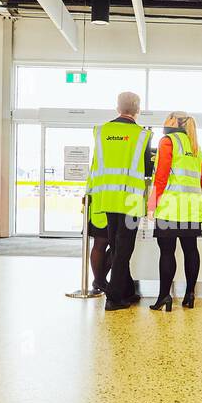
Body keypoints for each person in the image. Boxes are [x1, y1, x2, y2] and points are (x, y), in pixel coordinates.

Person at [85, 90, 152, 311]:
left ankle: (126, 290)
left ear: (117, 108)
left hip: (106, 199)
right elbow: (148, 168)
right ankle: (114, 298)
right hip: (130, 201)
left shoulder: (101, 131)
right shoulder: (142, 135)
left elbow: (95, 165)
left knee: (116, 246)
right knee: (124, 250)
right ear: (138, 110)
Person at [149, 111, 202, 311]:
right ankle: (190, 295)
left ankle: (164, 297)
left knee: (167, 252)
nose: (164, 121)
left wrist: (152, 204)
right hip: (192, 208)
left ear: (174, 121)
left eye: (167, 118)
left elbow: (161, 177)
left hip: (170, 208)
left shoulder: (167, 141)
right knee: (191, 250)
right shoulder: (196, 147)